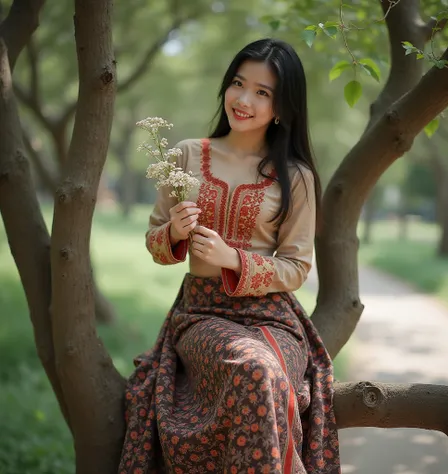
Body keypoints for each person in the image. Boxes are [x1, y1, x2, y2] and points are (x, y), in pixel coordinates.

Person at [118, 38, 340, 474]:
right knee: (255, 370)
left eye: (262, 92)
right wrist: (174, 233)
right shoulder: (185, 155)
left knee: (266, 370)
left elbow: (296, 267)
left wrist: (234, 259)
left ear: (282, 106)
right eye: (238, 84)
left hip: (274, 319)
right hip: (201, 313)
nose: (243, 99)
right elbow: (155, 245)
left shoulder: (295, 176)